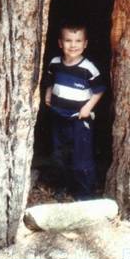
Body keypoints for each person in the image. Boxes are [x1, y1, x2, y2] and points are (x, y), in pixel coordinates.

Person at [45, 20, 105, 201]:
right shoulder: (55, 63)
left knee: (81, 157)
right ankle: (64, 185)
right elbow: (50, 80)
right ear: (60, 43)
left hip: (79, 119)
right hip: (58, 116)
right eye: (68, 40)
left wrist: (87, 108)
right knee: (60, 154)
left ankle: (84, 193)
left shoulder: (88, 68)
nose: (73, 45)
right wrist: (48, 93)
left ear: (85, 44)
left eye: (78, 41)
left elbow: (99, 89)